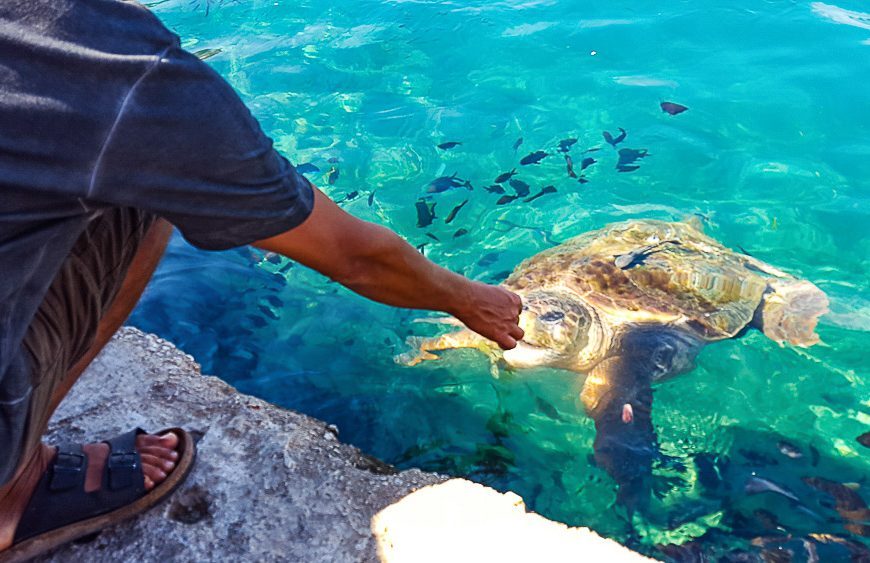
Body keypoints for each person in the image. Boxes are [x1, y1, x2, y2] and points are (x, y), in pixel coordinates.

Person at [0, 1, 524, 559]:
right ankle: (13, 485)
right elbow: (356, 256)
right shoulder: (112, 66)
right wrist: (472, 300)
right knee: (145, 201)